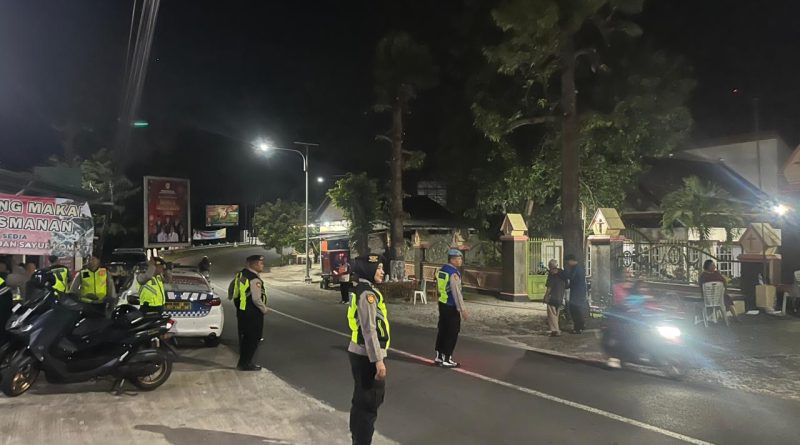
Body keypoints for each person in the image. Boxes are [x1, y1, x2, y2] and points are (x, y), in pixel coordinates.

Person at [347, 254, 389, 445]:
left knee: (360, 402)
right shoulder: (367, 294)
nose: (382, 271)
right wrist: (378, 360)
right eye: (378, 268)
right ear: (368, 269)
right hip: (367, 355)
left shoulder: (362, 289)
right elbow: (369, 329)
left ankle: (357, 440)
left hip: (361, 353)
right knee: (369, 404)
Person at [231, 254, 268, 371]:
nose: (262, 265)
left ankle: (242, 363)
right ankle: (246, 364)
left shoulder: (241, 275)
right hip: (253, 313)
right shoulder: (254, 279)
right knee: (253, 339)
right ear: (255, 264)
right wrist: (264, 309)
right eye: (261, 263)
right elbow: (256, 299)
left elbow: (234, 292)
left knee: (244, 339)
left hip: (242, 311)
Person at [434, 249, 467, 368]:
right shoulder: (453, 273)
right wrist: (462, 309)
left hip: (442, 303)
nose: (460, 261)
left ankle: (439, 356)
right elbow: (456, 293)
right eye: (459, 258)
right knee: (452, 332)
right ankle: (447, 358)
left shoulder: (442, 270)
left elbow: (438, 287)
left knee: (442, 330)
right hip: (451, 305)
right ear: (452, 260)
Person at [564, 254, 587, 334]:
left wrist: (563, 273)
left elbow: (571, 277)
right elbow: (575, 281)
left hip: (577, 293)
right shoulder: (578, 268)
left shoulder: (576, 268)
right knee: (577, 309)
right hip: (579, 292)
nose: (567, 264)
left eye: (568, 262)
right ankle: (580, 326)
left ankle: (578, 328)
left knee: (574, 310)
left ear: (571, 260)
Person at [542, 259, 566, 337]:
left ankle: (555, 330)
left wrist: (545, 296)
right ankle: (555, 330)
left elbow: (549, 287)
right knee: (557, 314)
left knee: (552, 314)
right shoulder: (562, 273)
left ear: (550, 266)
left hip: (553, 296)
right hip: (560, 296)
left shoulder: (551, 275)